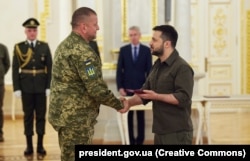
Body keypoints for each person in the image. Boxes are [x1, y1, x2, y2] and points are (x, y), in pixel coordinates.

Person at [48, 7, 124, 161]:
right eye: (95, 24)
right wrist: (119, 104)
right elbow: (95, 88)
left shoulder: (64, 45)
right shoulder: (83, 52)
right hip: (77, 120)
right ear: (84, 27)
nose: (98, 28)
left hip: (65, 116)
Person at [120, 25, 194, 145]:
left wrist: (156, 96)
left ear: (167, 44)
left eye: (154, 40)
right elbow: (145, 92)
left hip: (177, 133)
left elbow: (183, 98)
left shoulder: (182, 68)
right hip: (160, 131)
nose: (150, 43)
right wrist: (128, 103)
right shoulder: (157, 66)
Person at [12, 18, 52, 156]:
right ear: (25, 31)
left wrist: (48, 86)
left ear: (37, 31)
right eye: (30, 30)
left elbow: (50, 68)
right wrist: (16, 88)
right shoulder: (19, 47)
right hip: (26, 87)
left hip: (41, 87)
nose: (32, 33)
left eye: (34, 30)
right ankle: (29, 146)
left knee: (41, 116)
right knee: (28, 117)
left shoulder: (44, 46)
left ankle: (40, 146)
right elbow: (15, 68)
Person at [116, 26, 152, 145]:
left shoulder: (146, 50)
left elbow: (150, 71)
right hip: (127, 89)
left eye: (135, 34)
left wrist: (148, 88)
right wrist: (120, 87)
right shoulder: (124, 50)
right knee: (128, 116)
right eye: (131, 35)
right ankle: (130, 141)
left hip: (141, 90)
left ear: (140, 35)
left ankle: (140, 140)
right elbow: (119, 70)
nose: (133, 37)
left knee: (141, 117)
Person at [0, 43, 10, 142]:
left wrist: (1, 75)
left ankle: (0, 133)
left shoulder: (3, 48)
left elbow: (7, 64)